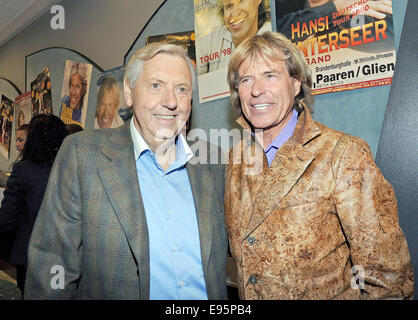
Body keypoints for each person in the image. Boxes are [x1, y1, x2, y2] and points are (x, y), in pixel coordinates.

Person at [24, 42, 227, 300]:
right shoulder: (82, 155)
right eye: (156, 85)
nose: (170, 101)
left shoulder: (213, 161)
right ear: (129, 94)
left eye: (181, 89)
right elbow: (51, 265)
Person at [224, 31, 414, 299]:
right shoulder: (234, 160)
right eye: (246, 79)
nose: (256, 90)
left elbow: (388, 279)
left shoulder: (342, 154)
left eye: (270, 75)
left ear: (296, 83)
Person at [0, 114, 68, 296]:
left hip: (29, 254)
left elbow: (7, 219)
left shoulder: (23, 170)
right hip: (65, 255)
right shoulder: (70, 169)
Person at [196, 0, 271, 75]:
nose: (235, 14)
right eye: (229, 6)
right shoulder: (213, 38)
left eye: (242, 1)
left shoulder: (274, 36)